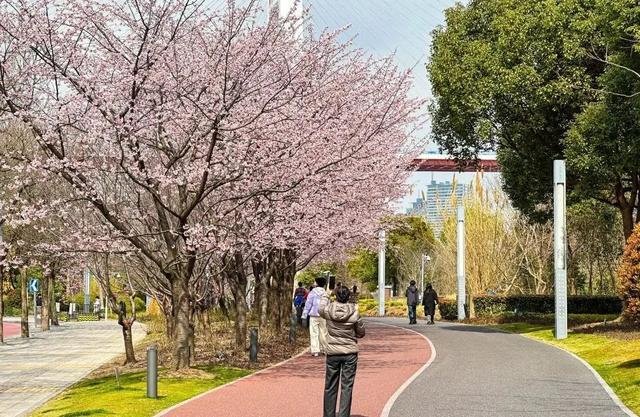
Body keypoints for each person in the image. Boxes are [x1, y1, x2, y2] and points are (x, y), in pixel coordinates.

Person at [319, 286, 365, 417]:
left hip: (333, 353)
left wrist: (326, 295)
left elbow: (320, 308)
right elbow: (361, 333)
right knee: (347, 386)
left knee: (330, 386)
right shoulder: (354, 313)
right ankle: (344, 414)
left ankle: (328, 414)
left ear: (336, 296)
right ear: (348, 297)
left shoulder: (328, 310)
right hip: (350, 353)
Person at [302, 276, 328, 356]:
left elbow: (308, 304)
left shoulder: (312, 292)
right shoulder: (326, 293)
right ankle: (325, 349)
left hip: (313, 315)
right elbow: (328, 304)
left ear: (316, 283)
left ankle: (315, 350)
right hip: (323, 315)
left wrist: (304, 314)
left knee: (314, 333)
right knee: (323, 333)